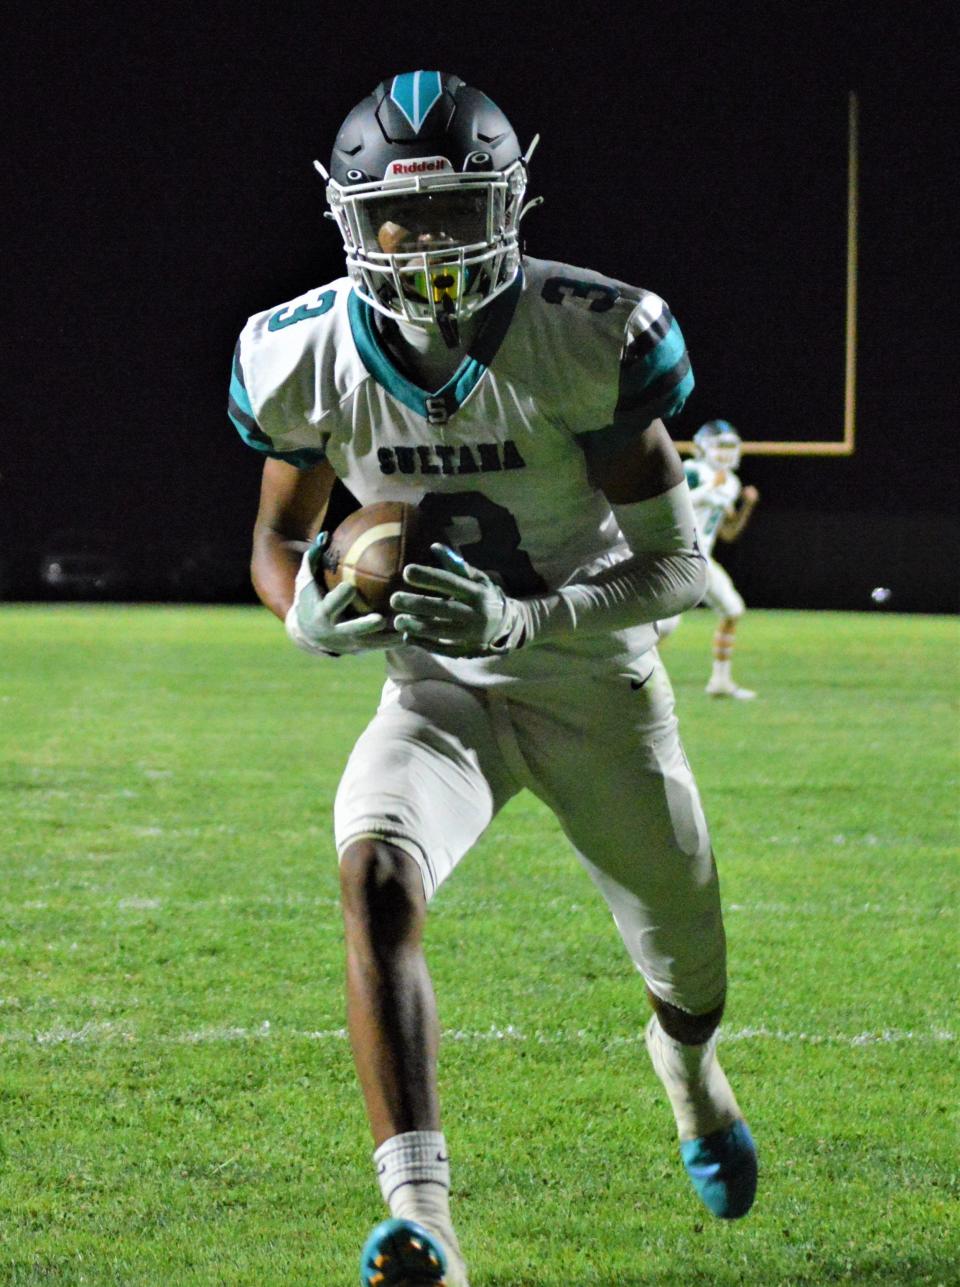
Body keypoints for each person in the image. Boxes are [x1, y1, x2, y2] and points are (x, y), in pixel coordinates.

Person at [229, 71, 757, 1287]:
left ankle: (686, 1072)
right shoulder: (298, 351)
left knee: (690, 972)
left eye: (460, 212)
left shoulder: (590, 332)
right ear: (351, 218)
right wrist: (299, 611)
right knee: (373, 874)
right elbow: (274, 538)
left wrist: (534, 615)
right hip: (438, 691)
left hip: (593, 680)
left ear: (509, 205)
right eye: (402, 218)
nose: (429, 245)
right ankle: (427, 1226)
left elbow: (679, 565)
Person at [659, 421, 761, 699]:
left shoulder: (731, 482)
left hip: (703, 559)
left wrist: (747, 507)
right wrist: (706, 490)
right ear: (704, 447)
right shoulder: (692, 470)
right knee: (665, 626)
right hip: (677, 557)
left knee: (733, 610)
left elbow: (728, 533)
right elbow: (669, 504)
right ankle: (634, 679)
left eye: (730, 447)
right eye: (720, 447)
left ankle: (720, 681)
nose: (726, 454)